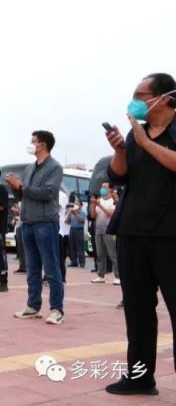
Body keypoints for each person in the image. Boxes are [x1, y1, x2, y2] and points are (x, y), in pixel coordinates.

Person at [103, 72, 176, 396]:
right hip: (133, 230)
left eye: (140, 93)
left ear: (165, 97)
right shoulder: (137, 133)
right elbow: (120, 175)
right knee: (138, 309)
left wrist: (147, 143)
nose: (134, 100)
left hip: (170, 234)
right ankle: (140, 377)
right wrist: (121, 149)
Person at [6, 130, 64, 325]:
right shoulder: (30, 168)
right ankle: (33, 305)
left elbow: (48, 192)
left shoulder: (55, 167)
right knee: (32, 267)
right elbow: (23, 196)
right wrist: (16, 187)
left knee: (51, 267)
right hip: (28, 222)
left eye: (33, 141)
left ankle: (56, 309)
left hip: (45, 222)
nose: (30, 144)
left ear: (43, 145)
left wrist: (22, 187)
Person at [90, 183, 120, 284]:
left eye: (104, 187)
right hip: (98, 230)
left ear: (110, 189)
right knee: (100, 254)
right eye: (101, 186)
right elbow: (93, 216)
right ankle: (100, 275)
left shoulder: (114, 201)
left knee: (112, 254)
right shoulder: (99, 200)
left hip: (109, 231)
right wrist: (93, 206)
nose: (102, 189)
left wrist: (100, 205)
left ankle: (118, 276)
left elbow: (112, 215)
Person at [67, 198, 87, 268]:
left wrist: (75, 213)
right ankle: (74, 261)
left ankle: (82, 262)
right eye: (75, 203)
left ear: (81, 205)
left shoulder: (83, 213)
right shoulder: (72, 212)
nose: (76, 205)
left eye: (77, 203)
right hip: (72, 229)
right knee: (72, 246)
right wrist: (69, 214)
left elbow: (81, 221)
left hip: (79, 230)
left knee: (80, 247)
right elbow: (67, 222)